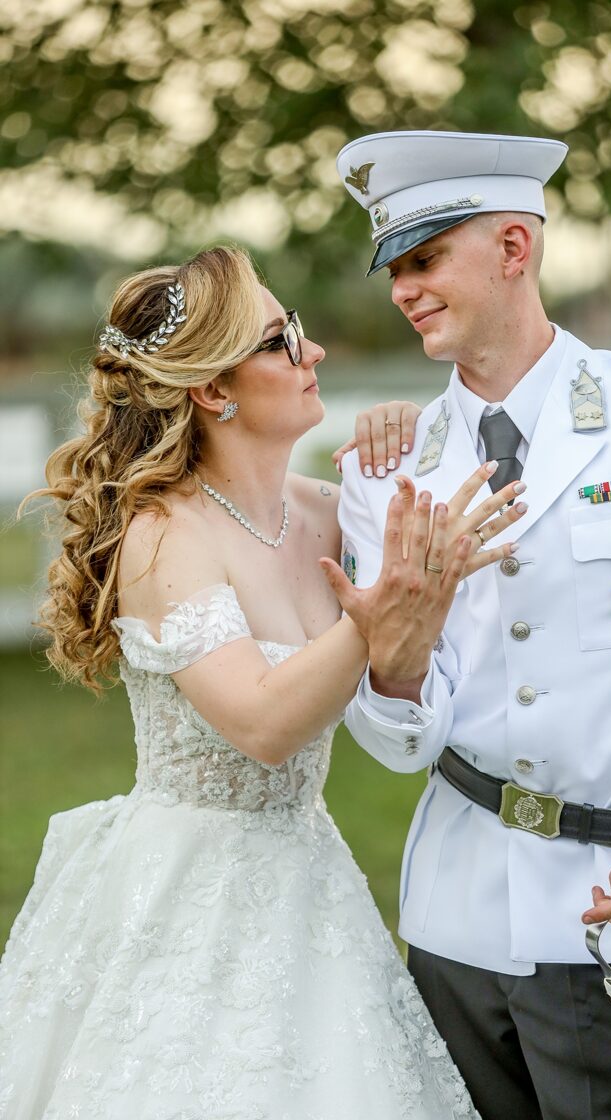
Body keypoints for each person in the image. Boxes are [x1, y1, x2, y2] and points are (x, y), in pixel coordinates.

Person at [0, 245, 528, 1118]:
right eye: (282, 339)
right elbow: (261, 723)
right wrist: (381, 609)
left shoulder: (327, 513)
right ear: (215, 389)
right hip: (188, 899)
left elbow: (428, 589)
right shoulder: (165, 536)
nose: (313, 350)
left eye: (300, 331)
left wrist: (418, 433)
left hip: (310, 881)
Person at [334, 130, 611, 1120]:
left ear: (514, 247)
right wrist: (397, 661)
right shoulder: (385, 472)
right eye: (395, 269)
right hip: (454, 918)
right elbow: (397, 740)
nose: (404, 289)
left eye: (427, 258)